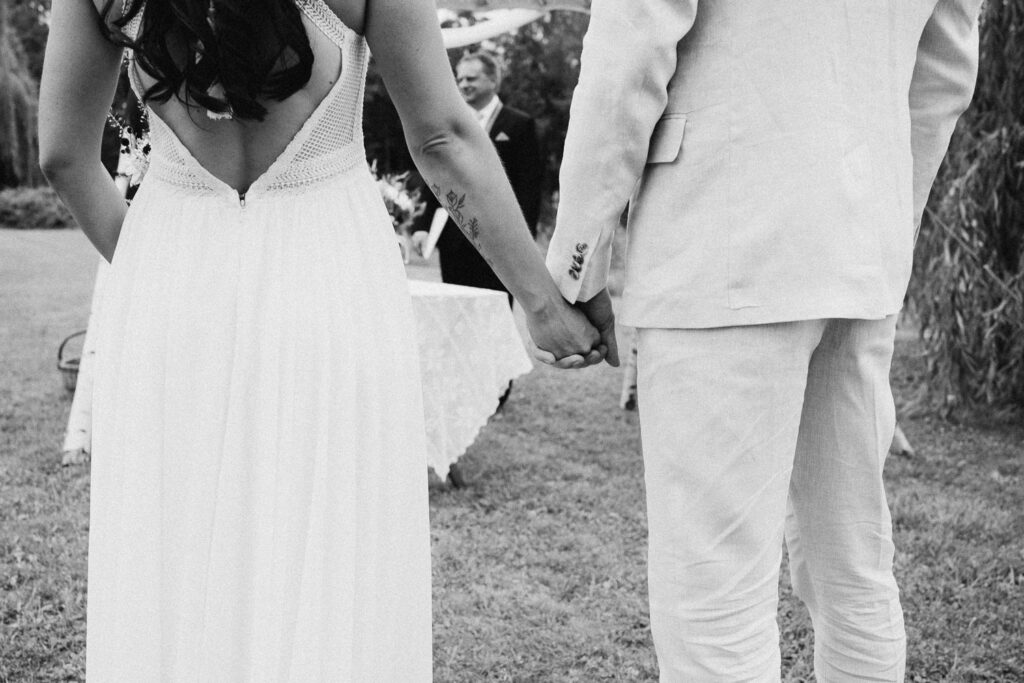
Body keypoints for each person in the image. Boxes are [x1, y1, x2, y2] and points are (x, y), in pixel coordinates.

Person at [38, 0, 602, 678]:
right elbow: (443, 138)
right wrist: (542, 304)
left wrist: (153, 270)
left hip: (170, 282)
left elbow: (65, 156)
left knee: (177, 537)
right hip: (328, 274)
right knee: (327, 530)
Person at [546, 1, 982, 680]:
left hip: (722, 232)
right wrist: (881, 213)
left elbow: (636, 31)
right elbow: (947, 66)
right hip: (859, 251)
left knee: (714, 597)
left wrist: (578, 257)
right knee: (853, 570)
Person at [412, 50, 544, 302]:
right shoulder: (449, 125)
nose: (463, 85)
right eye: (460, 79)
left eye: (471, 79)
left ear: (493, 81)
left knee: (496, 317)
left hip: (502, 243)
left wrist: (524, 242)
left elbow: (529, 187)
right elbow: (436, 177)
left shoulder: (518, 125)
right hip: (454, 242)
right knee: (456, 315)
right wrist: (422, 226)